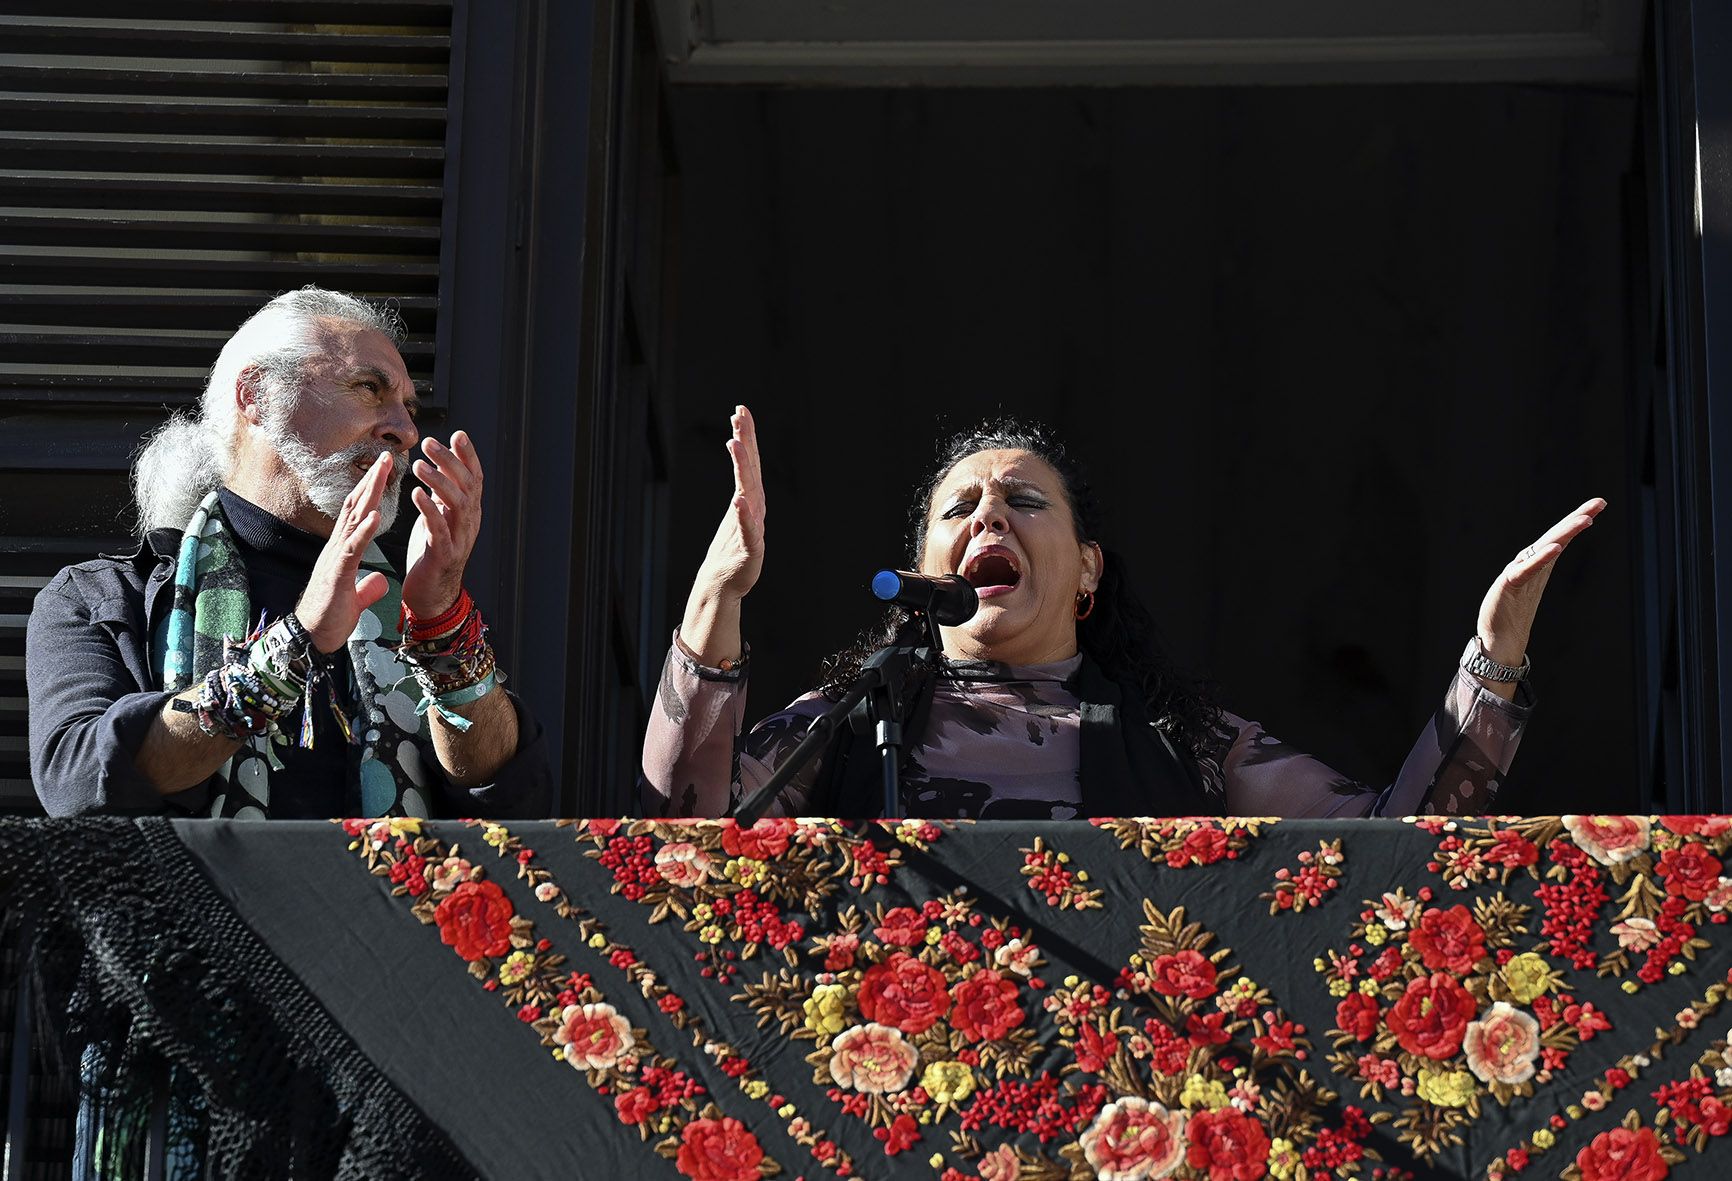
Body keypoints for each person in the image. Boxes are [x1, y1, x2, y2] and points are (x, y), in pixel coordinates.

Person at [641, 407, 1604, 819]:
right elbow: (683, 830)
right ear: (921, 570)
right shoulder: (850, 723)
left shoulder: (1184, 741)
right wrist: (716, 601)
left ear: (1086, 571)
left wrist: (1495, 655)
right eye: (959, 507)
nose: (989, 514)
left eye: (1024, 502)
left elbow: (1395, 857)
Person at [28, 286, 551, 818]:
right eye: (370, 388)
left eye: (408, 408)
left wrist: (441, 622)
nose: (406, 430)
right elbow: (79, 783)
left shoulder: (405, 600)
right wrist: (295, 646)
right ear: (257, 396)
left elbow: (513, 802)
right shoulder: (104, 596)